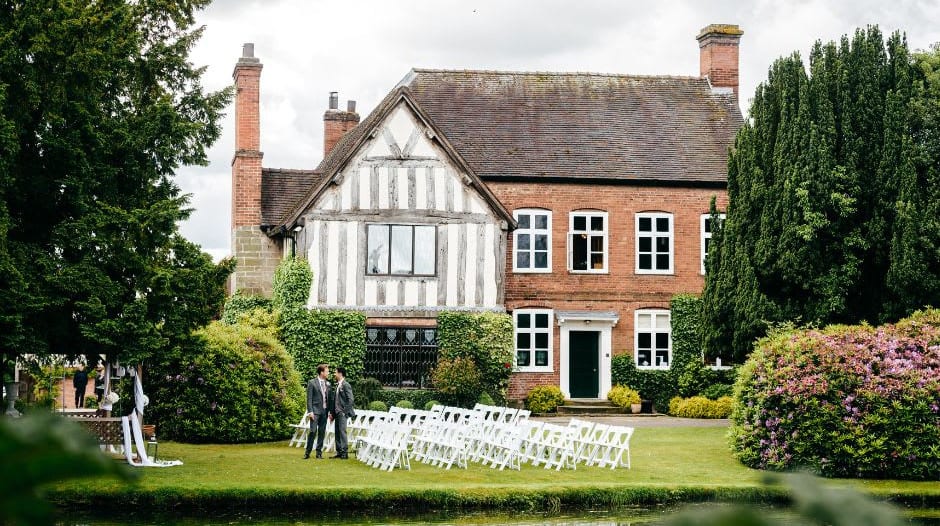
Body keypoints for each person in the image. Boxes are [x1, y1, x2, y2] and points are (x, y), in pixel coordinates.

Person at [303, 363, 332, 459]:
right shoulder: (312, 383)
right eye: (327, 371)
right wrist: (310, 411)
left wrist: (330, 412)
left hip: (324, 411)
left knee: (322, 432)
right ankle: (307, 452)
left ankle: (319, 453)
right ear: (321, 372)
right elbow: (309, 398)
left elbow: (329, 399)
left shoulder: (328, 384)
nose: (328, 373)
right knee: (313, 431)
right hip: (315, 411)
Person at [329, 367, 356, 459]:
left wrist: (344, 411)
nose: (334, 374)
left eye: (335, 372)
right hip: (336, 413)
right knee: (337, 432)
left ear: (340, 374)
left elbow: (351, 400)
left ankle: (345, 453)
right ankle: (339, 452)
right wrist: (332, 413)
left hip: (342, 413)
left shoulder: (346, 385)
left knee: (342, 432)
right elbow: (335, 400)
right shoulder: (338, 385)